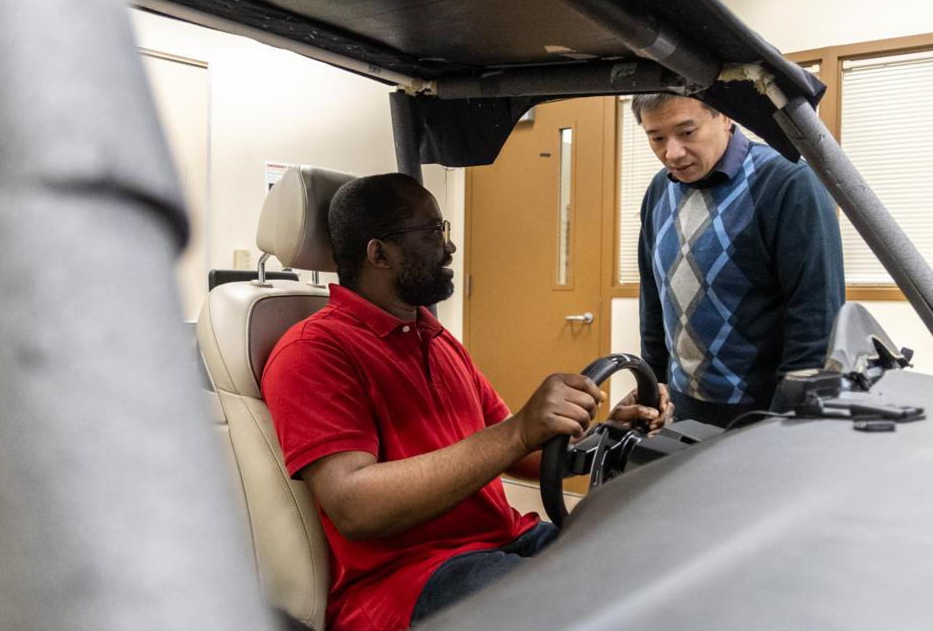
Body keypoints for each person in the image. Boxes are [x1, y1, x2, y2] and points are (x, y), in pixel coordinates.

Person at [261, 173, 670, 630]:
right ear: (379, 254)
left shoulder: (434, 338)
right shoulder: (314, 351)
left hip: (505, 540)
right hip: (412, 578)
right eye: (433, 232)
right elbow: (354, 506)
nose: (449, 247)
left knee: (649, 570)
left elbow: (521, 454)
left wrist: (605, 435)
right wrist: (518, 431)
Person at [633, 93, 844, 428]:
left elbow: (816, 319)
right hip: (682, 411)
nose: (671, 152)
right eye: (656, 138)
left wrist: (784, 422)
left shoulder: (786, 182)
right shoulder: (659, 190)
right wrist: (653, 385)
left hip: (763, 415)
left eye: (687, 132)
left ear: (726, 116)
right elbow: (653, 299)